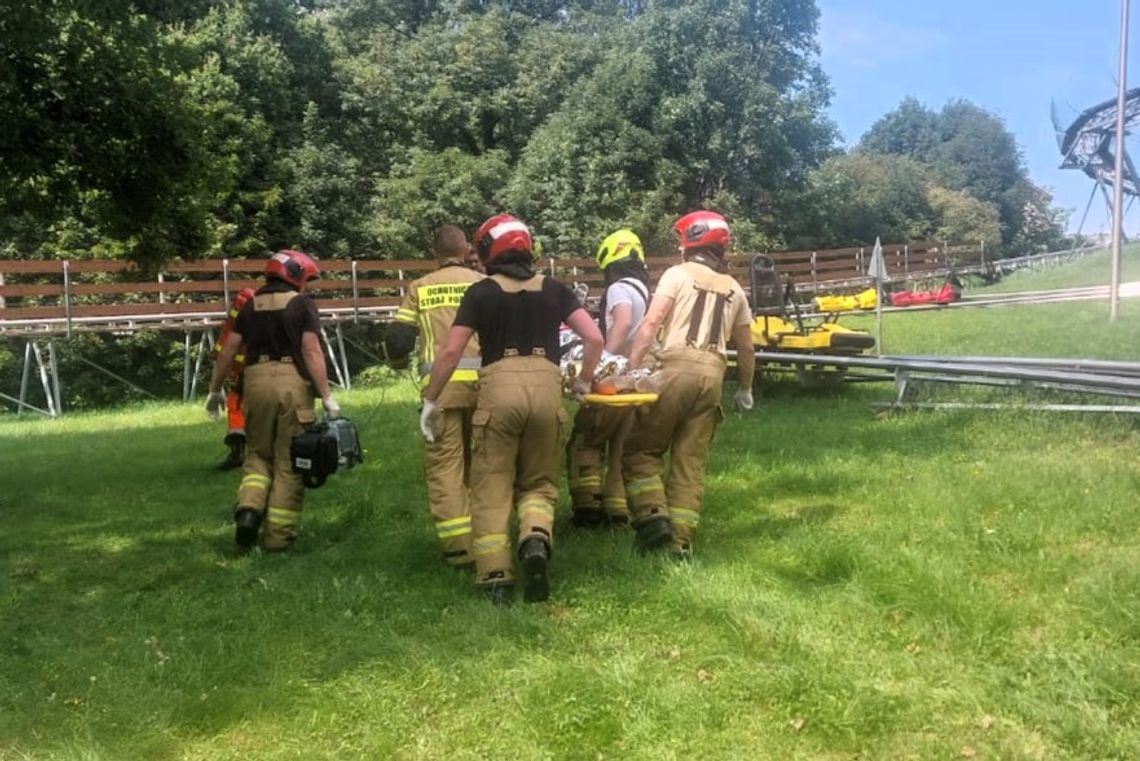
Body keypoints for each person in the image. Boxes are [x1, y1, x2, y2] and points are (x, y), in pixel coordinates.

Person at [420, 214, 603, 605]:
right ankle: (534, 536)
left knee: (492, 485)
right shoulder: (555, 290)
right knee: (538, 481)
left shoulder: (481, 293)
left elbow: (451, 351)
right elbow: (593, 336)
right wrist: (584, 381)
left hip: (498, 390)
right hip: (547, 390)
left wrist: (431, 399)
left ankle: (496, 577)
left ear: (488, 251)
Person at [622, 210, 756, 558]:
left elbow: (651, 324)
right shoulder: (734, 289)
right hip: (712, 378)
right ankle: (680, 542)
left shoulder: (676, 274)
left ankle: (653, 518)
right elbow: (746, 346)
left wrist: (630, 369)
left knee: (641, 449)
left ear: (689, 242)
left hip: (674, 370)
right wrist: (745, 388)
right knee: (689, 461)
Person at [206, 250, 339, 552]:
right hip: (291, 382)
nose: (308, 286)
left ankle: (249, 512)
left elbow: (229, 350)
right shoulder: (302, 304)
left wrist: (215, 390)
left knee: (257, 455)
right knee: (289, 461)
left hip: (254, 382)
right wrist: (327, 397)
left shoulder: (251, 304)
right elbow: (311, 351)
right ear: (295, 275)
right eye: (307, 279)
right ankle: (278, 538)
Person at [388, 225, 485, 568]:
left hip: (440, 389)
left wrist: (396, 362)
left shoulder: (419, 288)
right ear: (465, 250)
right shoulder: (481, 284)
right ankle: (489, 538)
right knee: (482, 463)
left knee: (445, 465)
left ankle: (459, 548)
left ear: (434, 254)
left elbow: (399, 339)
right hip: (484, 386)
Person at [565, 229, 650, 528]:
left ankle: (587, 508)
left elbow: (623, 321)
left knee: (586, 440)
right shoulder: (644, 289)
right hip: (633, 378)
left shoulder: (618, 288)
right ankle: (617, 511)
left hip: (610, 379)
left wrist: (603, 358)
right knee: (619, 447)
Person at [212, 287, 256, 470]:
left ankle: (238, 444)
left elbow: (225, 346)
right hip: (268, 370)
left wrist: (214, 388)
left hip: (243, 370)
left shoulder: (241, 308)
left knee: (236, 402)